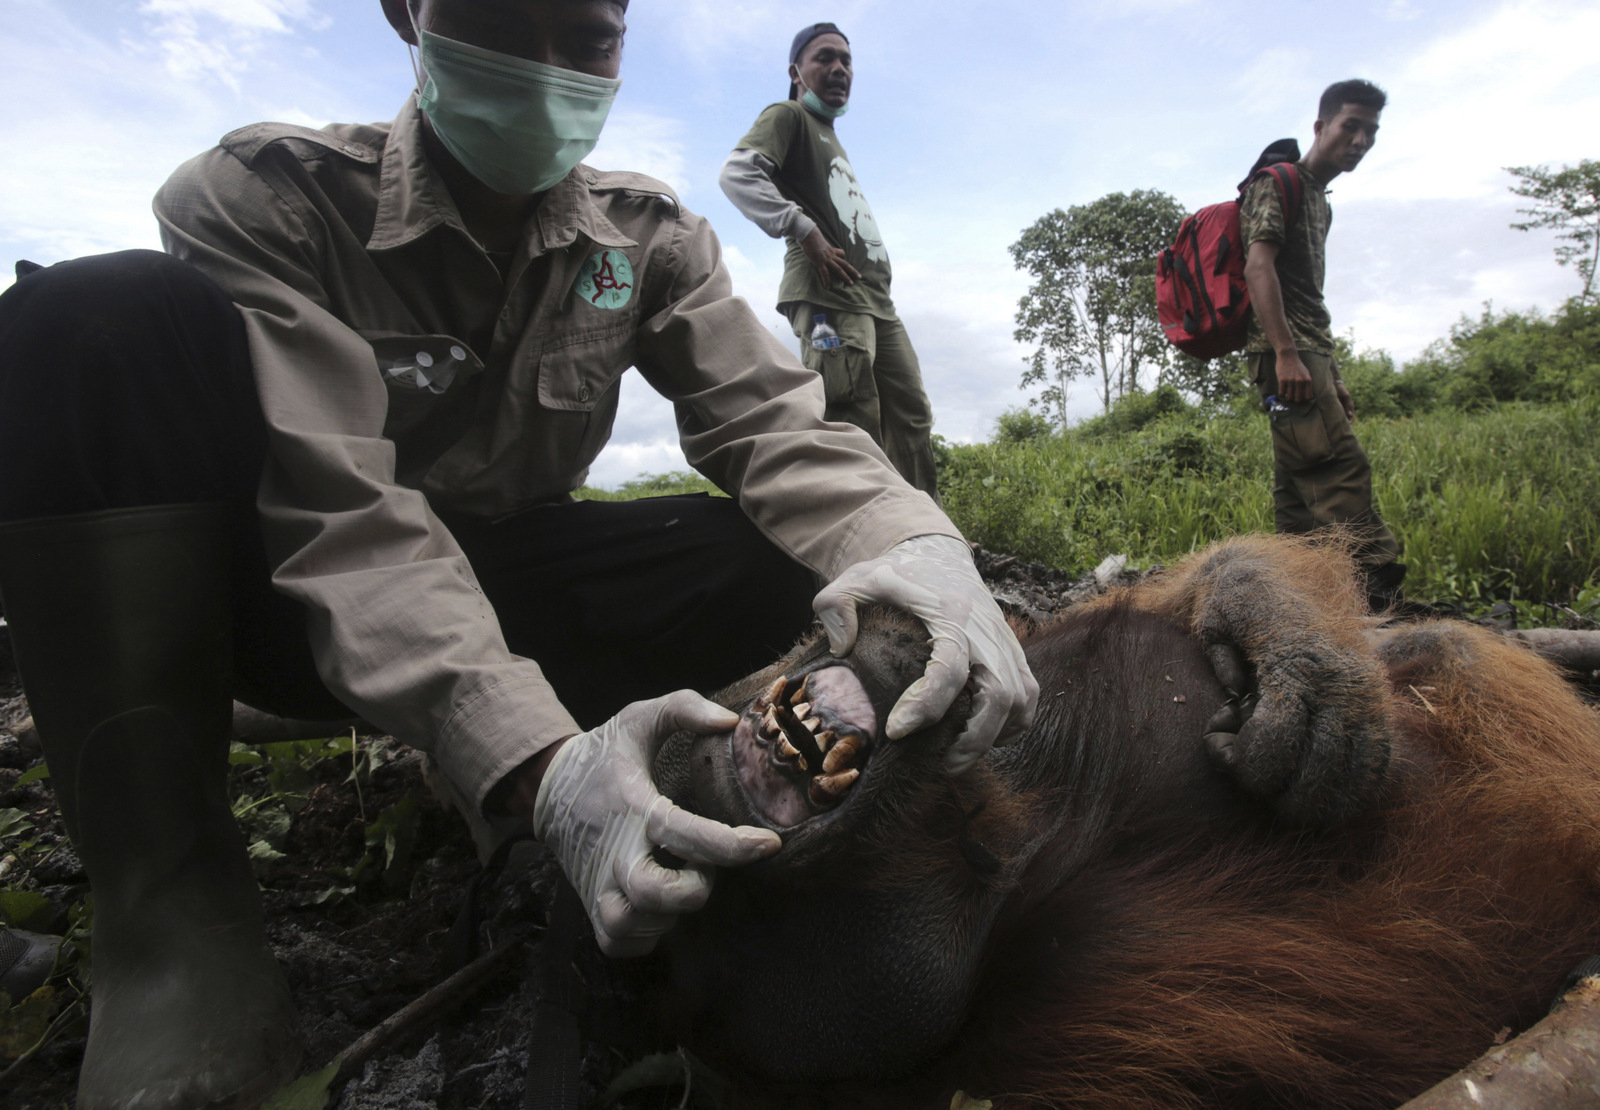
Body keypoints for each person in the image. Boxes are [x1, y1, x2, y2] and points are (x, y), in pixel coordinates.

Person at [0, 1, 1037, 1104]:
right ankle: (170, 913)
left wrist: (924, 551)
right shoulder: (268, 200)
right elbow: (343, 520)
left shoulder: (647, 239)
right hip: (280, 601)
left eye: (587, 39)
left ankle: (638, 783)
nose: (544, 75)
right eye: (497, 15)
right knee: (89, 318)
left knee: (777, 548)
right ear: (408, 11)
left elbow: (776, 428)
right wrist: (541, 767)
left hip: (509, 585)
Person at [719, 22, 941, 502]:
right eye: (824, 58)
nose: (839, 68)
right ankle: (864, 536)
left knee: (911, 417)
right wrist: (804, 230)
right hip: (828, 295)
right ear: (796, 71)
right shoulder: (789, 116)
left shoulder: (827, 135)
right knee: (852, 413)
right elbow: (737, 173)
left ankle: (927, 532)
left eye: (846, 60)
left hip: (875, 302)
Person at [1240, 78, 1405, 605]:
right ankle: (1374, 593)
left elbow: (1308, 294)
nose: (1359, 140)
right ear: (1321, 126)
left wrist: (1331, 372)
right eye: (1349, 126)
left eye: (1370, 131)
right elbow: (1257, 266)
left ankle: (1295, 596)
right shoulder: (1278, 182)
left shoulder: (1318, 200)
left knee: (1297, 481)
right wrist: (1288, 353)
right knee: (1339, 468)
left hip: (1306, 354)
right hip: (1283, 352)